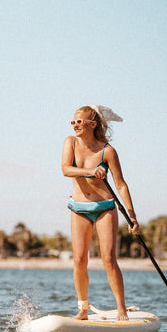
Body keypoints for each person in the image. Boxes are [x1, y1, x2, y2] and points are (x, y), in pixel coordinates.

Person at [61, 105, 139, 321]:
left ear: (92, 124)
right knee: (79, 260)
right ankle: (83, 309)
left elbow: (121, 185)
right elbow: (66, 169)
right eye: (73, 122)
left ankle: (121, 309)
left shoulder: (108, 151)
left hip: (104, 208)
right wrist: (90, 172)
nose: (75, 125)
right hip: (79, 208)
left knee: (108, 259)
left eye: (80, 122)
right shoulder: (70, 142)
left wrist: (132, 217)